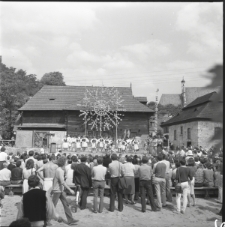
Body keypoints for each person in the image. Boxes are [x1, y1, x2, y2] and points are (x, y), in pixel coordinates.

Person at [52, 156, 78, 225]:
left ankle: (70, 219)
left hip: (60, 190)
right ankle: (45, 219)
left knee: (66, 204)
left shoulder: (60, 170)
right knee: (52, 206)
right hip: (57, 190)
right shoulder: (59, 170)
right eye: (66, 161)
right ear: (63, 162)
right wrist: (70, 190)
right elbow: (62, 182)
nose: (66, 162)